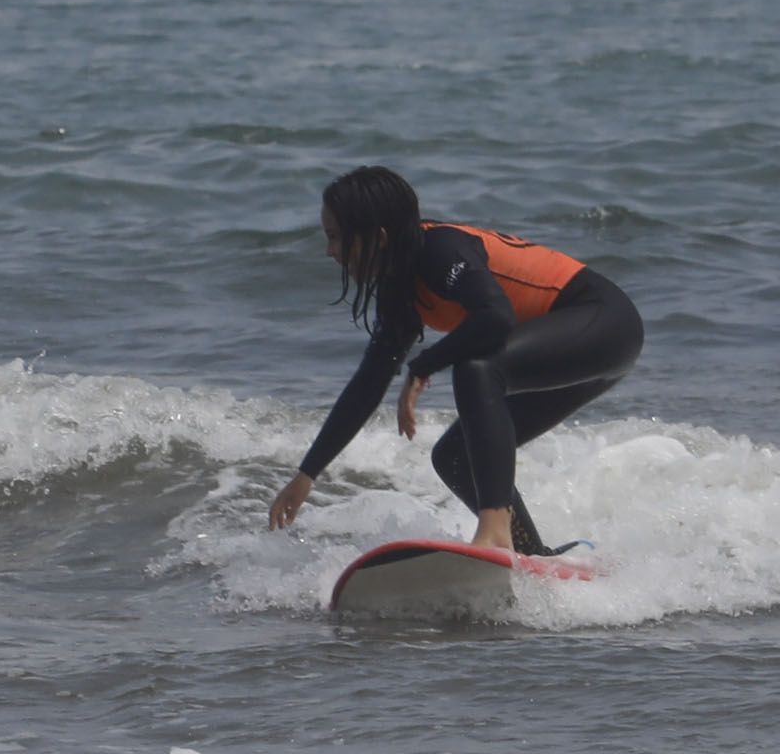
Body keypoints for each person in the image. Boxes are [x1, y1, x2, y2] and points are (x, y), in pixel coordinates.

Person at [267, 165, 642, 554]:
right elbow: (367, 385)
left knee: (477, 366)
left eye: (335, 238)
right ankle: (530, 556)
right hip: (573, 348)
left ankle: (494, 528)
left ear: (377, 237)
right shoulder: (399, 288)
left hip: (604, 322)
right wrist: (306, 475)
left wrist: (423, 364)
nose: (330, 251)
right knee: (454, 457)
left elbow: (495, 316)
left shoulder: (440, 250)